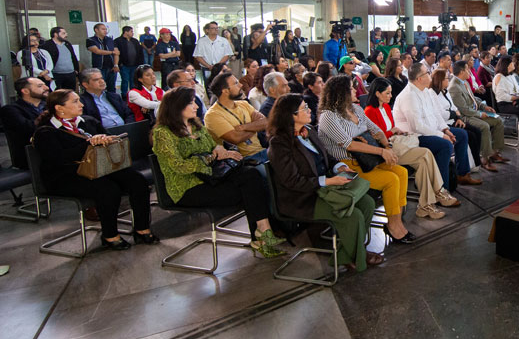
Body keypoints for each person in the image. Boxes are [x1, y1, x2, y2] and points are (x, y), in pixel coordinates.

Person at [152, 87, 284, 258]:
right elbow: (177, 165)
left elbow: (212, 147)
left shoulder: (196, 126)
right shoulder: (162, 133)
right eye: (191, 103)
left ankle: (263, 232)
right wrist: (210, 157)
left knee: (251, 175)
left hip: (210, 177)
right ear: (177, 106)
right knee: (250, 189)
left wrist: (221, 150)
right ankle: (262, 236)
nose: (196, 107)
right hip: (188, 187)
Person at [266, 93, 382, 270]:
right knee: (353, 215)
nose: (309, 110)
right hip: (304, 198)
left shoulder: (309, 130)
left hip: (325, 189)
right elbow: (292, 181)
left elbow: (326, 156)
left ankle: (349, 253)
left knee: (367, 202)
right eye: (304, 108)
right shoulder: (279, 144)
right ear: (291, 115)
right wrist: (327, 181)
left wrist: (339, 168)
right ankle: (358, 256)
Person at [34, 89, 156, 250]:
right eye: (75, 101)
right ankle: (110, 235)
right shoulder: (46, 131)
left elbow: (103, 141)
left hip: (98, 167)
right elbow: (58, 158)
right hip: (65, 175)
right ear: (59, 108)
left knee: (136, 180)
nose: (81, 104)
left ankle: (142, 228)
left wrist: (107, 140)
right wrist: (89, 143)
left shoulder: (88, 122)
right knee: (107, 189)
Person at [317, 75, 414, 243]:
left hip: (368, 160)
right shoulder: (328, 117)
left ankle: (397, 219)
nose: (356, 90)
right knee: (390, 179)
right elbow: (349, 145)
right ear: (341, 93)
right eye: (351, 88)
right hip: (348, 166)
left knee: (401, 172)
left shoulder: (356, 110)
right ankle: (393, 225)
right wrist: (381, 152)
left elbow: (376, 130)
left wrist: (387, 148)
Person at [365, 78, 462, 219]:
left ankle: (426, 205)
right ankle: (436, 195)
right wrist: (393, 131)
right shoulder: (369, 111)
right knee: (425, 154)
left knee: (424, 159)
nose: (391, 96)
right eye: (387, 93)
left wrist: (395, 131)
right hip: (387, 149)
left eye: (391, 92)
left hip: (396, 144)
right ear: (377, 94)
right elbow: (376, 136)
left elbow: (390, 129)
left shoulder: (386, 107)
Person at [395, 62, 481, 184]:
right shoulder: (409, 96)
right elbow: (417, 127)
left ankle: (462, 174)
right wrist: (441, 135)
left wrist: (445, 130)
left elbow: (436, 114)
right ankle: (441, 189)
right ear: (420, 79)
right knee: (445, 145)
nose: (430, 74)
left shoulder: (424, 91)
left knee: (461, 135)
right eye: (427, 73)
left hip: (430, 131)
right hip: (414, 137)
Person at [449, 61, 508, 165]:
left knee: (498, 121)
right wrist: (480, 114)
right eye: (467, 69)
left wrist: (484, 106)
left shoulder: (464, 82)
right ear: (462, 71)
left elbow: (473, 98)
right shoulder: (454, 87)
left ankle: (494, 152)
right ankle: (485, 158)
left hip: (474, 111)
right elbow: (464, 110)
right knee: (484, 126)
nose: (470, 71)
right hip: (465, 117)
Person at [431, 67, 490, 170]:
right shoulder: (433, 94)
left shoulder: (445, 91)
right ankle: (464, 168)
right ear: (439, 80)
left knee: (476, 131)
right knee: (468, 135)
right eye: (446, 78)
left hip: (453, 120)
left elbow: (454, 107)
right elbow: (441, 114)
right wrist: (454, 114)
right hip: (444, 124)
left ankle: (476, 162)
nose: (448, 80)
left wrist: (457, 117)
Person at [205, 72, 269, 164]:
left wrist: (244, 127)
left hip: (262, 151)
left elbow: (265, 122)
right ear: (225, 91)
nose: (241, 85)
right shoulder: (213, 115)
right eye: (235, 83)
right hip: (243, 160)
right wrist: (255, 126)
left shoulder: (243, 104)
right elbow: (236, 138)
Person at [0, 77, 49, 169]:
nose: (46, 88)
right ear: (25, 91)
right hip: (31, 156)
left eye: (45, 85)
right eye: (40, 86)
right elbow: (27, 129)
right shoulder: (10, 110)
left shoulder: (49, 105)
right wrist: (45, 117)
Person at [41, 26, 80, 90]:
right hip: (56, 74)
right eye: (63, 33)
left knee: (70, 92)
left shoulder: (67, 44)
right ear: (56, 34)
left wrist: (76, 69)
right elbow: (44, 60)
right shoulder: (47, 45)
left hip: (70, 74)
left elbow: (73, 57)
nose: (66, 35)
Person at [86, 23, 119, 89]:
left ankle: (112, 99)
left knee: (112, 87)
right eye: (103, 29)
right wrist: (112, 52)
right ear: (96, 30)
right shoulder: (91, 40)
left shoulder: (110, 40)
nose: (105, 31)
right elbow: (97, 51)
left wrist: (116, 65)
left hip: (111, 67)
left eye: (106, 29)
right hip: (99, 67)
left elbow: (116, 53)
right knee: (100, 87)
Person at [113, 26, 143, 99]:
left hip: (135, 64)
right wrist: (118, 64)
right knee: (125, 80)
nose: (133, 33)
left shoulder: (135, 41)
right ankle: (124, 95)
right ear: (126, 32)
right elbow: (116, 53)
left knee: (133, 80)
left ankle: (133, 94)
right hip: (124, 65)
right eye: (131, 31)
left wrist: (141, 63)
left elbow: (140, 52)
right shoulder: (118, 41)